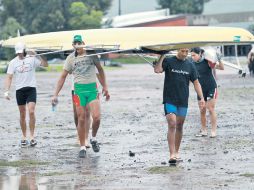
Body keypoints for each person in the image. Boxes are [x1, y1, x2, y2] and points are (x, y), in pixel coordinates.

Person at [52, 35, 109, 158]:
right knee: (81, 118)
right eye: (75, 43)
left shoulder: (91, 54)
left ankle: (93, 138)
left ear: (83, 43)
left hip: (92, 89)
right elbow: (62, 77)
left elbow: (100, 70)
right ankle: (82, 146)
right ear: (73, 45)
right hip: (78, 91)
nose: (77, 45)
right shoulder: (70, 58)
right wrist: (55, 94)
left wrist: (105, 87)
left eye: (79, 42)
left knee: (97, 117)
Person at [154, 48, 205, 164]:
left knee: (180, 126)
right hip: (169, 98)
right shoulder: (169, 61)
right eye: (182, 51)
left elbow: (196, 82)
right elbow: (157, 70)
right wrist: (162, 55)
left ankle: (176, 152)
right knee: (172, 123)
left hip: (183, 100)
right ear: (178, 50)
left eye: (187, 52)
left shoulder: (190, 65)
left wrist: (201, 98)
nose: (185, 54)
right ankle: (171, 154)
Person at [4, 42, 48, 147]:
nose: (20, 54)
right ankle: (24, 136)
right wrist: (6, 91)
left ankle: (32, 136)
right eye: (18, 53)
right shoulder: (13, 62)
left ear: (24, 50)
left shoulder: (32, 58)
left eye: (21, 52)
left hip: (31, 89)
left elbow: (45, 65)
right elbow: (9, 77)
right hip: (20, 91)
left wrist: (37, 54)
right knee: (22, 114)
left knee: (31, 111)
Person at [190, 47, 224, 138]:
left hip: (211, 88)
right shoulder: (191, 64)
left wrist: (219, 59)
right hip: (200, 90)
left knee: (210, 108)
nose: (192, 57)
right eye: (191, 55)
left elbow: (221, 67)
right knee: (202, 110)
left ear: (200, 54)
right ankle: (204, 131)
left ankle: (213, 131)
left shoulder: (208, 61)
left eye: (194, 55)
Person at [71, 70, 110, 148]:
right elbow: (67, 72)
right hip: (75, 89)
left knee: (87, 112)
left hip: (90, 89)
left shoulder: (92, 57)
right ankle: (80, 135)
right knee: (77, 115)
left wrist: (104, 86)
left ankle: (85, 138)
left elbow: (98, 72)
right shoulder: (72, 58)